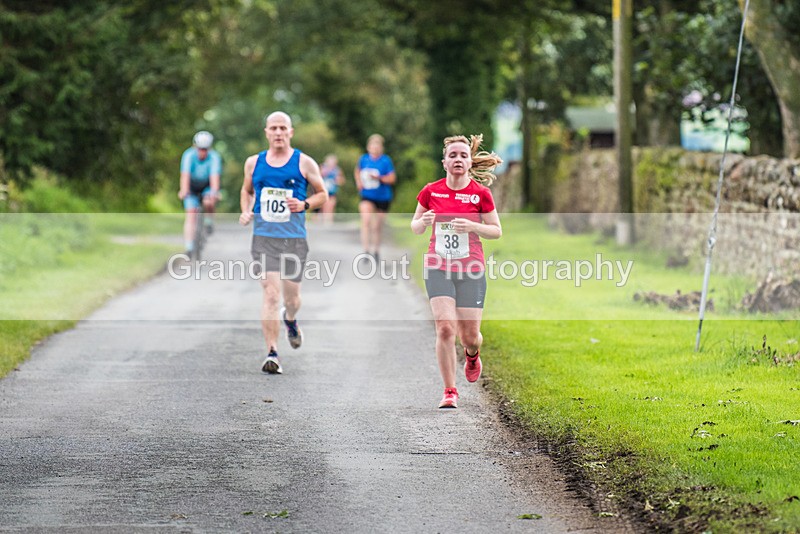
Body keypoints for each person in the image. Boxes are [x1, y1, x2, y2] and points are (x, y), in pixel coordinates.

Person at [410, 134, 502, 409]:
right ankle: (450, 390)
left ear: (470, 161)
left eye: (463, 155)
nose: (458, 159)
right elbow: (414, 225)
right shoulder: (431, 191)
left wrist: (473, 226)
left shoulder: (480, 194)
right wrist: (423, 221)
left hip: (471, 268)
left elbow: (496, 231)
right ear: (444, 162)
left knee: (469, 336)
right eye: (453, 155)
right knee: (445, 328)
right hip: (438, 266)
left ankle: (472, 355)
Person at [239, 111, 328, 374]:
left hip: (294, 239)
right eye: (273, 128)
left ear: (290, 132)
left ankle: (290, 319)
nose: (278, 133)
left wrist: (304, 204)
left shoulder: (305, 163)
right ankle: (272, 352)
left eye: (283, 128)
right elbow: (246, 190)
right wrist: (246, 209)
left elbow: (322, 194)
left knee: (292, 299)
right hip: (264, 238)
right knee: (271, 294)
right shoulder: (253, 163)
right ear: (266, 132)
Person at [179, 131, 221, 253]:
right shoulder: (188, 156)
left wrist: (214, 192)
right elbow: (185, 176)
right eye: (200, 149)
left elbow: (215, 178)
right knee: (191, 213)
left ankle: (209, 221)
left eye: (205, 149)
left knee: (209, 201)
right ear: (195, 147)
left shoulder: (214, 157)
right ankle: (189, 247)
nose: (202, 152)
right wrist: (184, 191)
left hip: (206, 185)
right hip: (192, 186)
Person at [354, 134, 395, 262]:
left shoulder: (386, 161)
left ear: (381, 148)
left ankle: (376, 251)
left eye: (377, 146)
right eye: (372, 146)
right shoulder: (364, 159)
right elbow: (357, 171)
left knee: (377, 226)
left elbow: (392, 179)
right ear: (368, 147)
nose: (375, 148)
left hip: (383, 197)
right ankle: (366, 251)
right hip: (367, 195)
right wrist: (359, 182)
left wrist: (379, 178)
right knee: (366, 221)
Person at [318, 154, 345, 224]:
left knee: (330, 207)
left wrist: (338, 180)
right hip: (323, 191)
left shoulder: (337, 170)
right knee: (323, 207)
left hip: (332, 192)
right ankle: (323, 222)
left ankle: (329, 222)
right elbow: (316, 177)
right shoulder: (322, 167)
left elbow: (342, 180)